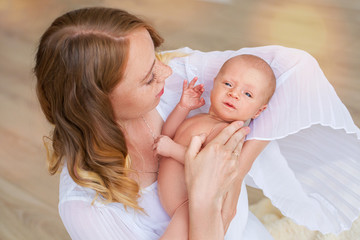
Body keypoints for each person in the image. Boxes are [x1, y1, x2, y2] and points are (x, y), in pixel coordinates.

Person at [34, 6, 360, 240]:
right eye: (149, 77)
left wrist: (236, 172)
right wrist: (206, 204)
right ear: (100, 103)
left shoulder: (177, 81)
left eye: (156, 57)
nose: (165, 71)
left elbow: (294, 69)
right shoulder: (89, 208)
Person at [155, 54, 276, 239]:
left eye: (247, 94)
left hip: (192, 207)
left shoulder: (226, 134)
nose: (234, 94)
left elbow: (205, 165)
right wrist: (183, 107)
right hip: (179, 206)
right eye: (228, 84)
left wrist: (171, 149)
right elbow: (167, 135)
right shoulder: (199, 118)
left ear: (258, 111)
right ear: (214, 83)